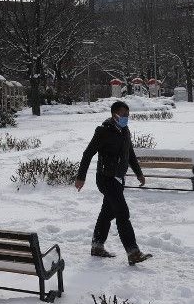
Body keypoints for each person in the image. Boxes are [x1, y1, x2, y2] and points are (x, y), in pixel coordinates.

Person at [74, 100, 153, 265]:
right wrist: (81, 177)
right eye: (123, 115)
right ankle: (133, 252)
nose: (126, 118)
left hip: (118, 179)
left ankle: (97, 246)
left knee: (107, 213)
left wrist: (139, 173)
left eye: (128, 115)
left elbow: (129, 154)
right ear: (114, 115)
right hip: (105, 178)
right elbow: (87, 153)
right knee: (123, 214)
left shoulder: (125, 131)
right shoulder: (103, 131)